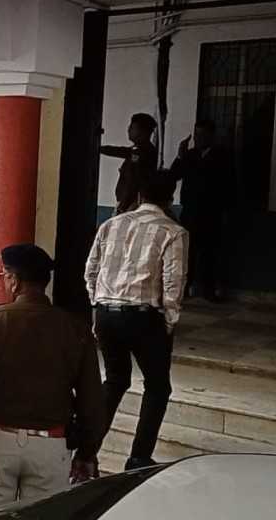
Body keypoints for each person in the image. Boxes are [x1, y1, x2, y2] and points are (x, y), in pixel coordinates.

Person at [0, 244, 106, 510]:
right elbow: (91, 399)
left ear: (15, 280)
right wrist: (87, 452)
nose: (4, 280)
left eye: (4, 275)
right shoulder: (76, 328)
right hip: (51, 445)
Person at [85, 170, 188, 471]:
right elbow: (174, 283)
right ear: (171, 197)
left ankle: (88, 451)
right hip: (145, 318)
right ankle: (138, 457)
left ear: (140, 195)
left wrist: (98, 306)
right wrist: (169, 321)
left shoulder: (111, 224)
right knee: (157, 387)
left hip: (107, 313)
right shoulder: (174, 232)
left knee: (115, 380)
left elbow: (90, 271)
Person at [171, 120, 234, 302]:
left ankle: (209, 290)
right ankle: (185, 288)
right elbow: (174, 176)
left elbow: (229, 185)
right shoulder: (189, 156)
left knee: (209, 253)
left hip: (212, 212)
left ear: (212, 136)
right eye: (197, 135)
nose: (199, 139)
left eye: (203, 135)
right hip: (190, 211)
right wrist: (180, 156)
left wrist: (226, 211)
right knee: (187, 253)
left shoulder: (222, 156)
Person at [101, 113, 159, 214]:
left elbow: (133, 181)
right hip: (128, 204)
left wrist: (122, 207)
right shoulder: (137, 150)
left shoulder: (143, 152)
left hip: (131, 206)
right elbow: (121, 151)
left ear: (143, 132)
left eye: (133, 127)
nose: (128, 130)